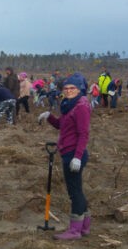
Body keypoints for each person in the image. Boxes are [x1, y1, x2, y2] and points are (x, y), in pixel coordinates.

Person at [38, 73, 92, 240]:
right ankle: (84, 227)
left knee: (74, 192)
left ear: (80, 89)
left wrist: (77, 156)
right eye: (66, 88)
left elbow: (83, 133)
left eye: (72, 88)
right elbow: (62, 125)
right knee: (77, 190)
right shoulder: (70, 104)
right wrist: (49, 117)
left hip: (74, 154)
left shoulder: (81, 106)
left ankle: (74, 231)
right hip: (68, 152)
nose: (68, 91)